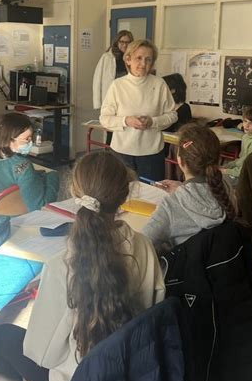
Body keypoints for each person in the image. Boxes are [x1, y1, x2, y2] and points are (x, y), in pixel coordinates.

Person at [0, 150, 165, 381]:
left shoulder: (62, 265)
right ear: (125, 197)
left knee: (1, 337)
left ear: (73, 192)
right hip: (133, 376)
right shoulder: (144, 246)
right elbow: (153, 310)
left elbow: (42, 353)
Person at [142, 123, 237, 250]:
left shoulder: (170, 206)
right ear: (218, 158)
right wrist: (182, 188)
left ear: (180, 161)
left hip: (188, 268)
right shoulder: (225, 185)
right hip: (224, 263)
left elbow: (143, 245)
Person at [100, 39, 178, 182]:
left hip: (152, 154)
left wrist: (152, 122)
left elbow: (172, 115)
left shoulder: (159, 84)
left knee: (150, 197)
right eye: (139, 58)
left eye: (148, 60)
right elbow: (105, 118)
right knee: (120, 196)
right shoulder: (117, 85)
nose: (143, 64)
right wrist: (126, 121)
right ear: (128, 59)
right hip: (121, 153)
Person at [0, 112, 59, 228]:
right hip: (17, 224)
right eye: (27, 139)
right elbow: (39, 207)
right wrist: (53, 178)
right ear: (9, 139)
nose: (31, 143)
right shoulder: (22, 166)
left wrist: (34, 176)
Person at [92, 30, 133, 145]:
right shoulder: (107, 57)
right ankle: (110, 153)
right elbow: (97, 81)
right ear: (117, 42)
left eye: (128, 42)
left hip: (127, 99)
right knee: (111, 128)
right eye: (122, 42)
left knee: (125, 128)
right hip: (111, 98)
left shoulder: (132, 58)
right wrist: (98, 103)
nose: (125, 45)